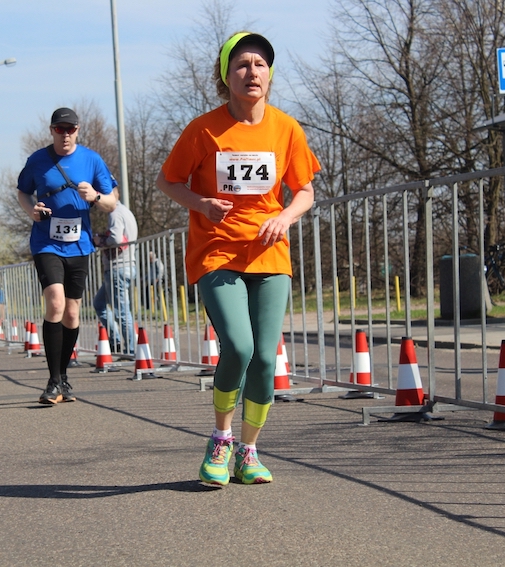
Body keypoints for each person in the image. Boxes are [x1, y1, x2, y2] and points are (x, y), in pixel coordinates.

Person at [156, 32, 318, 486]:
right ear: (226, 76)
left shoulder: (286, 128)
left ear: (270, 74)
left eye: (260, 64)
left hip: (269, 254)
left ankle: (249, 452)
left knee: (265, 359)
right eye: (242, 64)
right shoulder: (204, 129)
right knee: (240, 347)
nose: (252, 72)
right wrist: (201, 203)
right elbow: (167, 181)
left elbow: (305, 191)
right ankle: (220, 439)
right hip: (217, 250)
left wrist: (284, 217)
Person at [17, 107, 117, 404]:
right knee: (56, 303)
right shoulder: (37, 160)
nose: (65, 134)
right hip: (46, 243)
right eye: (59, 129)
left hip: (79, 244)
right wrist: (31, 210)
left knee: (72, 313)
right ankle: (52, 381)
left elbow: (112, 201)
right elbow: (23, 192)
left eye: (70, 129)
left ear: (78, 130)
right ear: (52, 130)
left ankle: (62, 377)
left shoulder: (91, 159)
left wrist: (96, 197)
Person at [92, 185, 138, 355]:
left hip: (118, 267)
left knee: (121, 311)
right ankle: (116, 341)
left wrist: (99, 241)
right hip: (125, 265)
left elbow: (116, 239)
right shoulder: (125, 212)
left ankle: (130, 349)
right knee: (99, 304)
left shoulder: (115, 214)